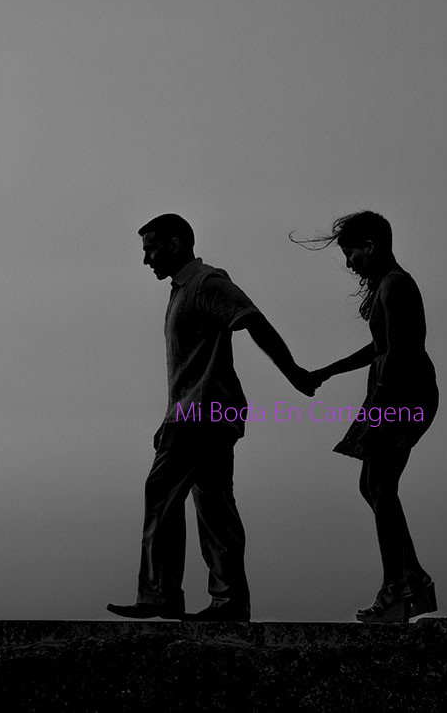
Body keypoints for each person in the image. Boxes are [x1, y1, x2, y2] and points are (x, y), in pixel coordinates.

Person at [108, 213, 315, 622]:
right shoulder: (182, 289)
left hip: (201, 414)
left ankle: (161, 594)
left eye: (151, 249)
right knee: (214, 506)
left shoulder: (206, 283)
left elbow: (252, 319)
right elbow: (191, 367)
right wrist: (169, 417)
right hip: (199, 412)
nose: (146, 259)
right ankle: (229, 602)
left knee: (162, 493)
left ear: (175, 244)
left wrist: (293, 373)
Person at [294, 211, 439, 623]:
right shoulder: (389, 286)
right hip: (393, 392)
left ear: (371, 246)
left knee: (379, 485)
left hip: (401, 394)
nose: (349, 263)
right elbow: (380, 347)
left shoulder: (396, 285)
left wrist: (379, 407)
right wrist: (328, 371)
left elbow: (400, 354)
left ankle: (396, 587)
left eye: (351, 253)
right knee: (373, 486)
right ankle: (412, 578)